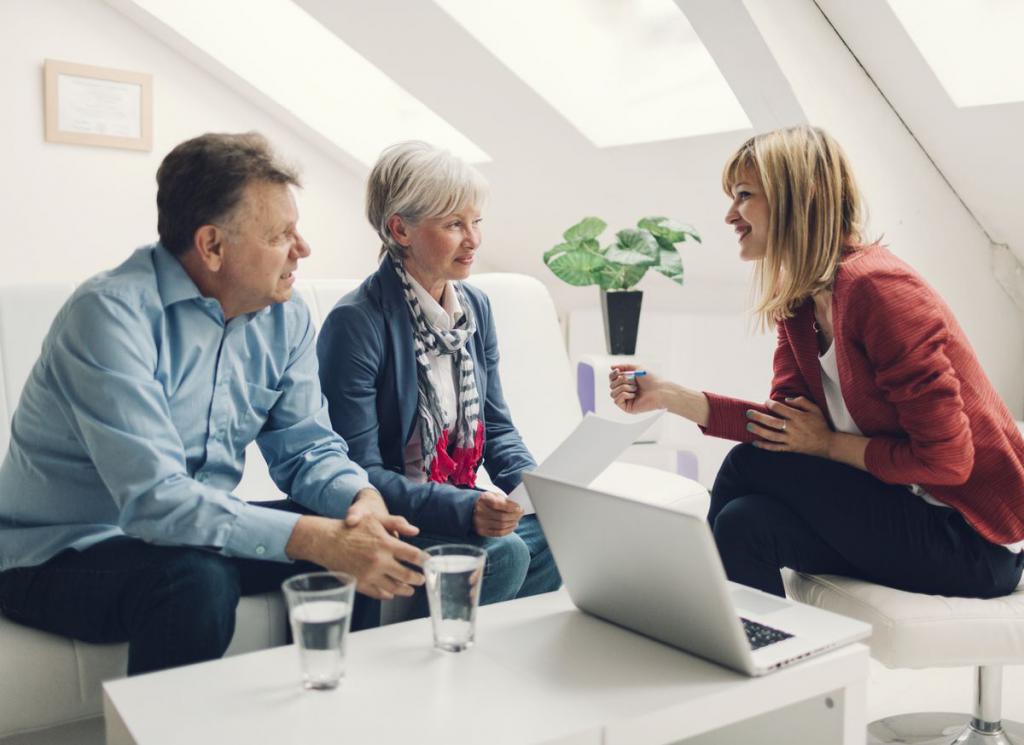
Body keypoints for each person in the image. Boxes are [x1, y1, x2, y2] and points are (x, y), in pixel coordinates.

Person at [0, 132, 424, 675]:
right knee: (196, 579)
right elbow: (157, 502)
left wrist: (357, 502)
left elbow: (308, 449)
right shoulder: (109, 316)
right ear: (212, 245)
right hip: (62, 553)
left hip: (190, 538)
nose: (303, 248)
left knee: (360, 543)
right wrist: (318, 539)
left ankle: (336, 720)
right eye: (281, 234)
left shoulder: (283, 315)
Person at [610, 125, 1024, 599]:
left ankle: (675, 605)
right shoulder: (802, 304)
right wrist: (671, 397)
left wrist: (827, 445)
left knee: (748, 465)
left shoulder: (878, 290)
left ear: (798, 196)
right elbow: (785, 434)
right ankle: (759, 662)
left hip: (972, 540)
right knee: (743, 524)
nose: (729, 215)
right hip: (903, 511)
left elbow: (948, 462)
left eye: (744, 195)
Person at [316, 141, 560, 612]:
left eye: (476, 222)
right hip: (397, 516)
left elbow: (497, 428)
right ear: (399, 229)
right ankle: (455, 668)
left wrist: (536, 491)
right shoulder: (357, 323)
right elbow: (361, 472)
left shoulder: (476, 308)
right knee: (504, 554)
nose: (474, 239)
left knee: (560, 535)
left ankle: (497, 659)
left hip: (457, 501)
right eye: (453, 225)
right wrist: (467, 510)